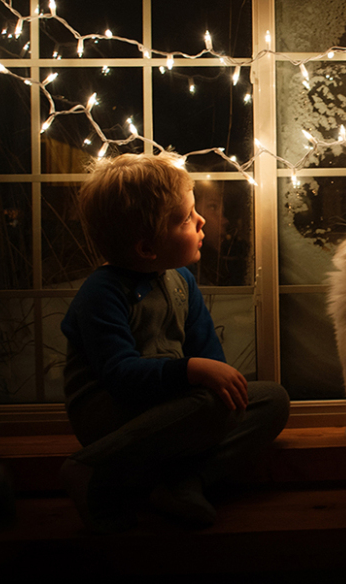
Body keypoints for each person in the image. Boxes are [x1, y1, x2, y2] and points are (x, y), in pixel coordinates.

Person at [59, 152, 289, 532]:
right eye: (186, 218)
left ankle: (183, 482)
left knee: (271, 401)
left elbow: (210, 358)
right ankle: (91, 467)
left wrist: (216, 379)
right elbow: (120, 376)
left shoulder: (181, 281)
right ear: (147, 248)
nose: (200, 221)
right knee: (211, 403)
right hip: (112, 416)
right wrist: (192, 370)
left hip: (170, 407)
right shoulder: (102, 293)